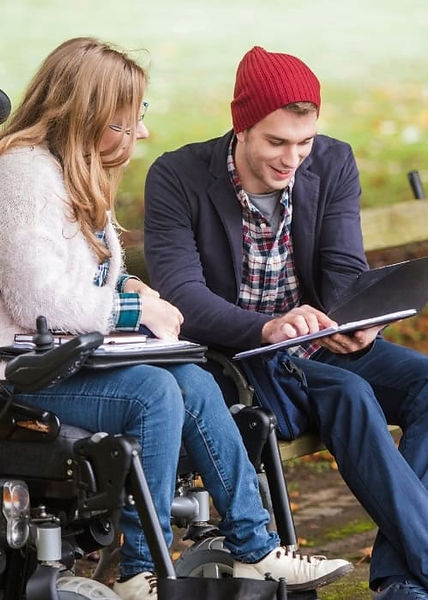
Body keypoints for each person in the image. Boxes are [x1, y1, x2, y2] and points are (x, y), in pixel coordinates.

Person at [0, 39, 353, 600]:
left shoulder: (73, 171)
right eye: (128, 119)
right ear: (87, 114)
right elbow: (36, 299)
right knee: (153, 392)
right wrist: (137, 305)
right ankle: (143, 571)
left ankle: (254, 551)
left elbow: (74, 277)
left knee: (190, 379)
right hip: (26, 375)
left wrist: (125, 284)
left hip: (70, 362)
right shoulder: (25, 174)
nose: (140, 132)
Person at [144, 45, 428, 599]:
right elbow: (182, 296)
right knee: (349, 393)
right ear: (240, 125)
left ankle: (401, 576)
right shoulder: (176, 176)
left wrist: (362, 318)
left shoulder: (333, 161)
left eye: (304, 142)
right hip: (240, 357)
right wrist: (266, 328)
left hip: (320, 342)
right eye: (276, 142)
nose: (292, 158)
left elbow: (344, 270)